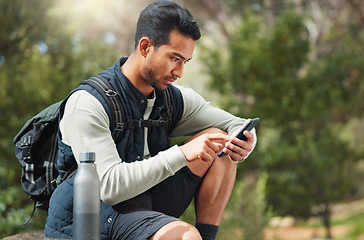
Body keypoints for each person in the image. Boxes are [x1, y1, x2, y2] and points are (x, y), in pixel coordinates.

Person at [44, 1, 257, 240]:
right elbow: (111, 188)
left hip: (145, 202)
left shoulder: (171, 99)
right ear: (145, 46)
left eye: (185, 61)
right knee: (185, 237)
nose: (179, 72)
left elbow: (237, 123)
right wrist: (183, 153)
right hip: (94, 213)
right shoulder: (88, 103)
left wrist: (246, 142)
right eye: (174, 58)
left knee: (221, 142)